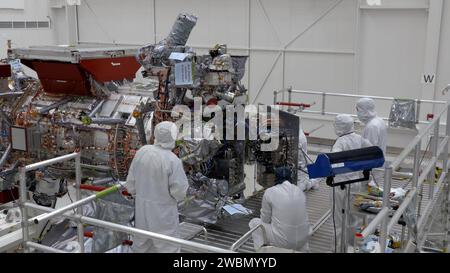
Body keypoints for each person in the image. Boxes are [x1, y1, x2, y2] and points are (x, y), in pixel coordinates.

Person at [125, 121, 189, 253]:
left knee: (141, 245)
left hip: (142, 209)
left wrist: (140, 196)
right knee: (167, 247)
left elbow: (130, 183)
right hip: (163, 213)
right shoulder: (172, 160)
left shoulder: (143, 151)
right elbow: (179, 191)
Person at [331, 114, 372, 252]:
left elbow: (333, 161)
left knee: (339, 218)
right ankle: (354, 247)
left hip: (341, 184)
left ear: (339, 126)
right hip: (356, 183)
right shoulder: (359, 138)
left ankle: (338, 249)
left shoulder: (340, 142)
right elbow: (372, 151)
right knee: (354, 217)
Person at [249, 166, 310, 252]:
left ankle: (261, 252)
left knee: (255, 223)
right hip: (303, 240)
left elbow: (265, 220)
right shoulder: (299, 190)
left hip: (284, 242)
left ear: (276, 178)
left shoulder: (270, 192)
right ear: (290, 178)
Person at [298, 126, 320, 191]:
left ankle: (312, 182)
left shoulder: (299, 138)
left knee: (299, 187)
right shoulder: (298, 133)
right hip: (301, 166)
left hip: (300, 169)